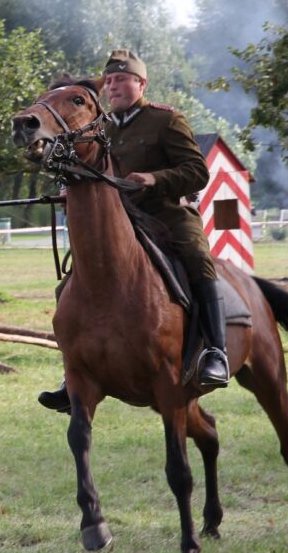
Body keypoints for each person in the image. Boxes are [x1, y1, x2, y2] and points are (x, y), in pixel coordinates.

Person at [38, 48, 230, 413]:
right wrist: (69, 191)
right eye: (109, 81)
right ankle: (75, 373)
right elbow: (89, 174)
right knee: (71, 282)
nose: (113, 87)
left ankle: (214, 353)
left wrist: (154, 179)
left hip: (166, 215)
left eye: (122, 79)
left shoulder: (167, 121)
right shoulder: (100, 127)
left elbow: (197, 172)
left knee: (197, 259)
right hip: (118, 224)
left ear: (141, 83)